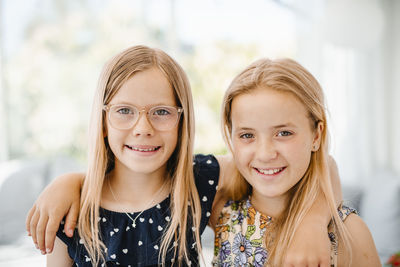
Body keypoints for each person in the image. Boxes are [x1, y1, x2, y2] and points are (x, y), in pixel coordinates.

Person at [26, 45, 342, 267]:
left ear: (182, 120)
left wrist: (312, 223)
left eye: (162, 112)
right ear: (103, 120)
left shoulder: (198, 179)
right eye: (124, 111)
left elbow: (320, 163)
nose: (142, 128)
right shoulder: (73, 211)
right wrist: (72, 182)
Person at [211, 58, 380, 266]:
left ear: (316, 136)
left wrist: (313, 222)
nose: (265, 154)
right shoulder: (221, 211)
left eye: (284, 133)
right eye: (247, 135)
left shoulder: (350, 233)